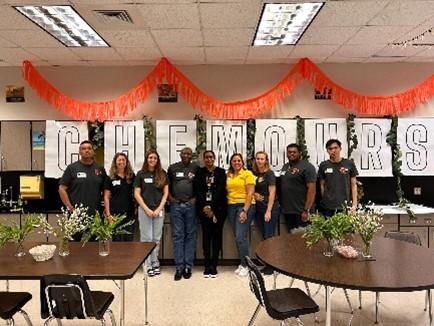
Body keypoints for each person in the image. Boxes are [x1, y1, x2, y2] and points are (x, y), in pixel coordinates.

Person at [134, 149, 169, 277]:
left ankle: (155, 263)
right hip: (144, 210)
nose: (152, 160)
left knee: (156, 238)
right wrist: (146, 209)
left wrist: (159, 208)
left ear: (157, 160)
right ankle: (147, 264)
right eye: (150, 158)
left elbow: (166, 193)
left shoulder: (162, 174)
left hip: (159, 210)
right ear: (146, 159)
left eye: (154, 158)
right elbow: (137, 194)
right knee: (146, 238)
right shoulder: (141, 174)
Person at [194, 150, 227, 278]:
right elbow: (198, 190)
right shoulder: (200, 172)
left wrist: (211, 206)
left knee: (217, 236)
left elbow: (220, 190)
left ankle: (214, 265)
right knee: (206, 237)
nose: (208, 159)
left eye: (211, 157)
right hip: (203, 209)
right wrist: (206, 206)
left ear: (214, 158)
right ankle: (207, 264)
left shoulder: (220, 172)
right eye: (206, 157)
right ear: (203, 159)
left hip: (219, 209)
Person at [168, 147, 199, 281]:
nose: (186, 155)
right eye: (184, 153)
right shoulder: (173, 168)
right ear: (180, 154)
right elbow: (166, 185)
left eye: (189, 154)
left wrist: (195, 198)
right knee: (177, 236)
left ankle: (188, 266)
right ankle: (179, 267)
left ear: (192, 156)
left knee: (190, 235)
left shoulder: (196, 168)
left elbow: (201, 186)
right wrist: (170, 198)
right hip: (176, 206)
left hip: (190, 206)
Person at [226, 153, 255, 277]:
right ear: (231, 163)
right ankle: (243, 263)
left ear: (242, 162)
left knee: (240, 237)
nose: (236, 163)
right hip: (231, 206)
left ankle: (246, 266)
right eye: (234, 161)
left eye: (239, 161)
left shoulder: (247, 174)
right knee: (238, 237)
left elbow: (250, 193)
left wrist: (245, 210)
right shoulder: (229, 175)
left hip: (244, 205)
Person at [59, 140, 106, 215]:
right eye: (84, 149)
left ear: (93, 152)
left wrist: (106, 207)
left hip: (96, 214)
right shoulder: (72, 168)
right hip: (77, 214)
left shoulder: (100, 169)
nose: (87, 150)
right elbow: (62, 189)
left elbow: (106, 190)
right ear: (80, 152)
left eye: (89, 148)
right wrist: (70, 207)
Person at [280, 143, 316, 232]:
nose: (291, 154)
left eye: (294, 152)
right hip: (288, 211)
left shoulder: (307, 167)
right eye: (289, 152)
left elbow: (312, 190)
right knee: (292, 239)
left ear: (300, 153)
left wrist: (306, 210)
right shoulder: (285, 167)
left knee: (304, 240)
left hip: (301, 212)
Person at [318, 139, 358, 217]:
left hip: (345, 206)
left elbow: (354, 185)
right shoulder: (323, 165)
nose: (333, 150)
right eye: (330, 148)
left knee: (346, 229)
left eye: (336, 148)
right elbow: (322, 185)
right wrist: (326, 200)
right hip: (328, 207)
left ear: (340, 148)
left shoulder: (349, 163)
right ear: (327, 151)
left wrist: (354, 205)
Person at [104, 152, 135, 241]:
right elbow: (106, 197)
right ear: (115, 162)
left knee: (129, 240)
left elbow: (136, 193)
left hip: (129, 213)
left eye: (123, 160)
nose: (121, 162)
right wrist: (108, 214)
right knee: (117, 240)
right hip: (115, 214)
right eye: (119, 160)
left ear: (126, 162)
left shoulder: (131, 176)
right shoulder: (110, 178)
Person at [252, 151, 279, 240]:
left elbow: (272, 193)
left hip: (269, 208)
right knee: (264, 236)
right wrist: (254, 193)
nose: (259, 161)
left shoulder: (269, 173)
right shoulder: (254, 173)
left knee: (269, 237)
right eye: (258, 159)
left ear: (266, 161)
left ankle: (271, 254)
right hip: (259, 209)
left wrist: (268, 211)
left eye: (262, 159)